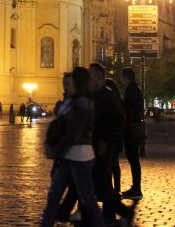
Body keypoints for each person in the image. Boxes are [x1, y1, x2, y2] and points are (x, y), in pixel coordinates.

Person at [40, 67, 103, 227]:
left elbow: (74, 132)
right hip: (68, 156)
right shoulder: (72, 100)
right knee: (54, 195)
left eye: (71, 80)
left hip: (80, 156)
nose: (67, 83)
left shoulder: (83, 103)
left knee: (87, 199)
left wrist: (56, 150)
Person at [87, 62, 127, 224]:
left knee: (102, 183)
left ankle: (115, 214)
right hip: (93, 145)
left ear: (97, 77)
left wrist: (106, 141)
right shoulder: (94, 95)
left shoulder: (108, 95)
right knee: (98, 183)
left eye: (90, 75)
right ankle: (100, 216)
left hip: (103, 146)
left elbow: (119, 120)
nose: (88, 78)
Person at [120, 66, 144, 200]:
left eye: (122, 77)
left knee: (133, 158)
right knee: (133, 159)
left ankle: (136, 188)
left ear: (126, 77)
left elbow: (131, 110)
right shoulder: (136, 89)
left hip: (131, 128)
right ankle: (135, 187)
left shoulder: (131, 90)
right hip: (133, 126)